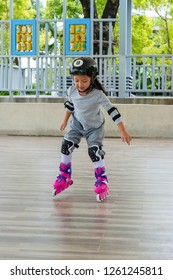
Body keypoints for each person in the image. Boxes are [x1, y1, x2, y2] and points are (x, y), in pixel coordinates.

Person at [52, 57, 132, 202]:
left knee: (94, 151)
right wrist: (64, 120)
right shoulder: (71, 90)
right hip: (77, 124)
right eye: (76, 80)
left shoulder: (98, 94)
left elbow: (112, 111)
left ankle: (102, 180)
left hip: (94, 128)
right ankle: (64, 176)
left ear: (92, 79)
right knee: (65, 146)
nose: (79, 84)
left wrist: (122, 130)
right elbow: (70, 105)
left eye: (84, 81)